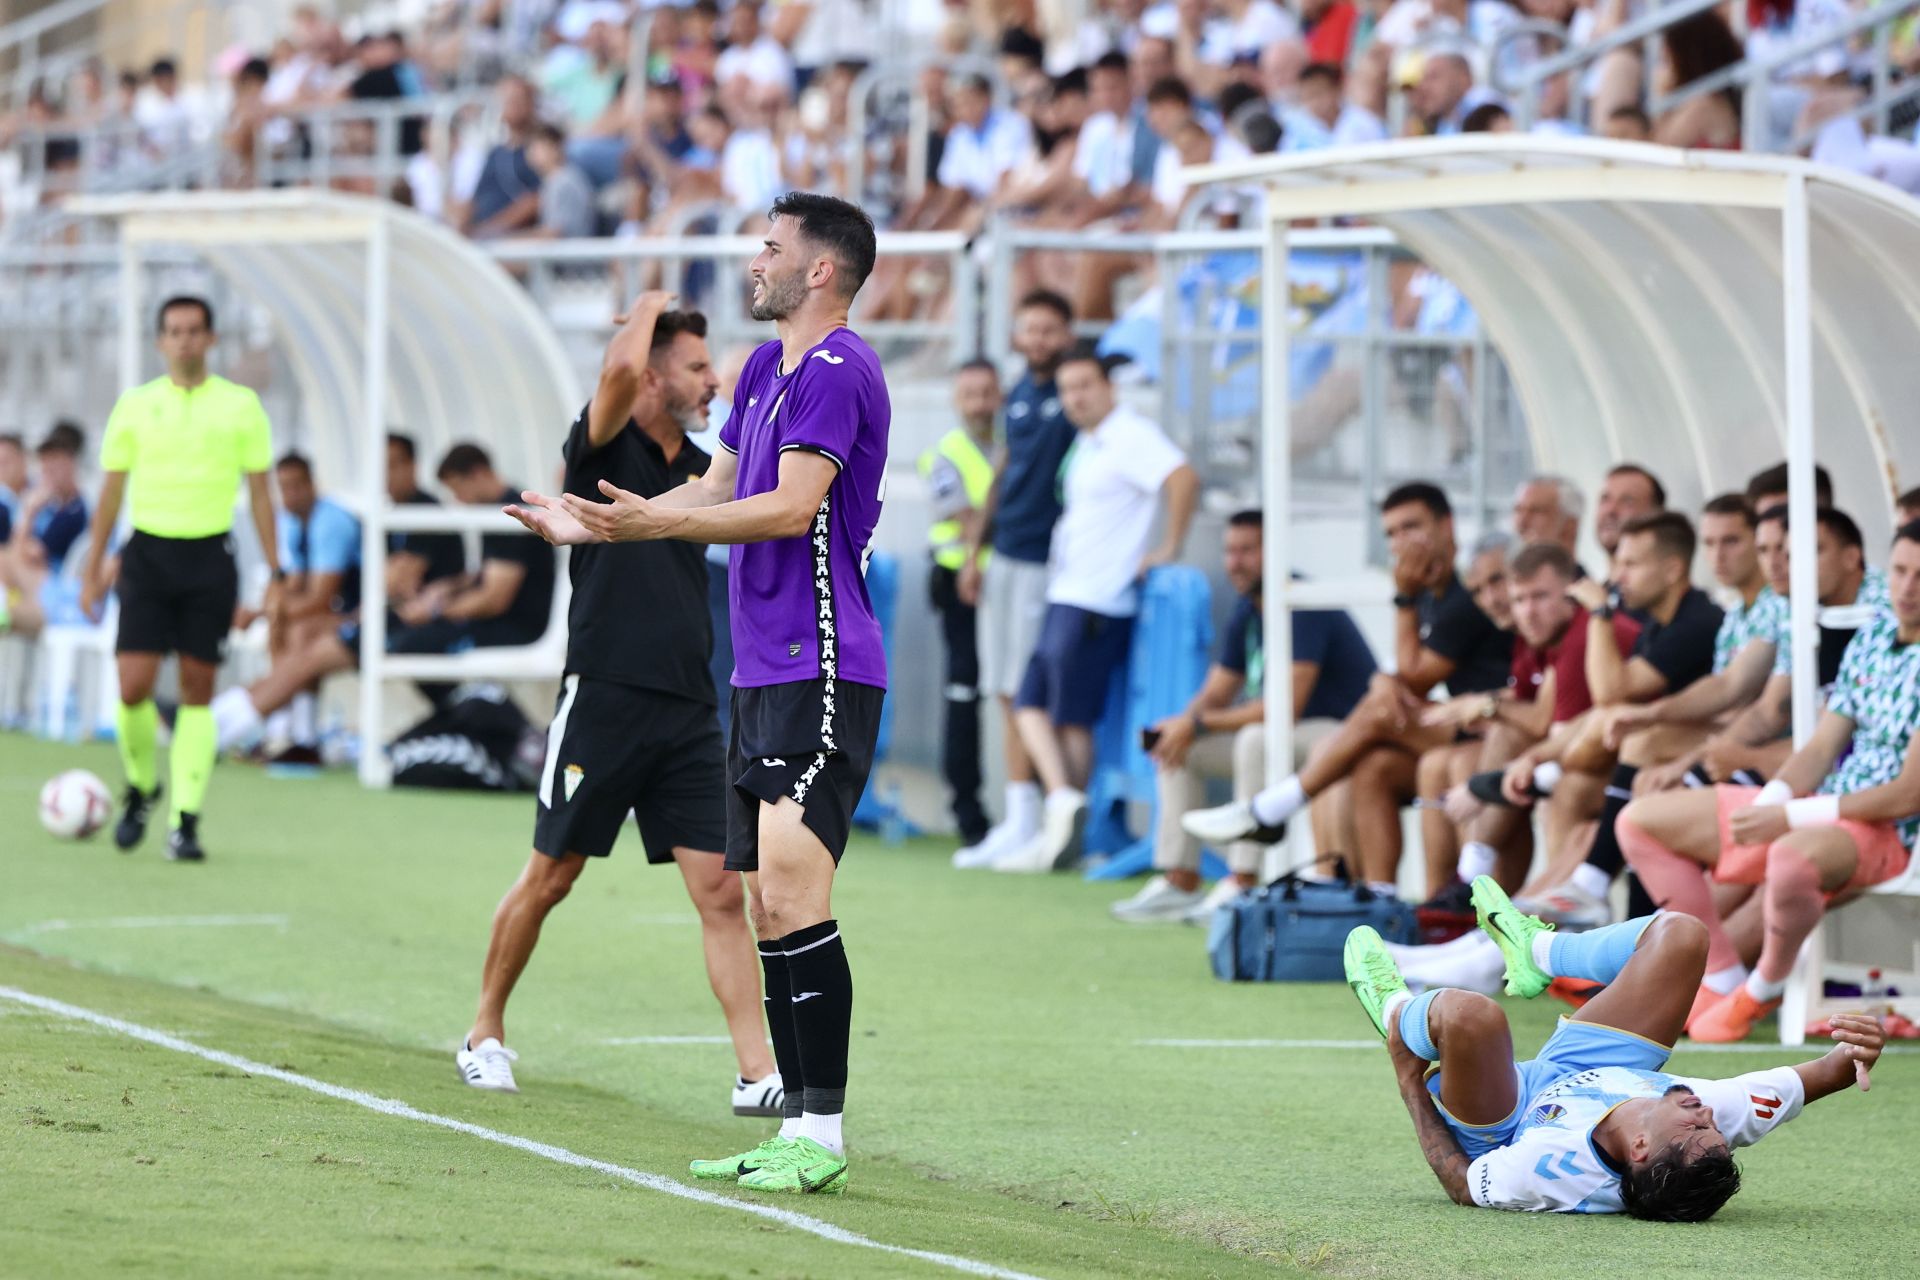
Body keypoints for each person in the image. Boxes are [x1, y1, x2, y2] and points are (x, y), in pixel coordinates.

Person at [508, 192, 887, 1197]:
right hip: (758, 673)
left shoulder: (843, 370)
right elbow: (718, 487)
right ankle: (796, 1123)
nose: (751, 261)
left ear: (818, 270)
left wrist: (651, 530)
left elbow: (791, 506)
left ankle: (825, 1129)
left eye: (770, 247)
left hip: (825, 664)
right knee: (764, 898)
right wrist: (599, 524)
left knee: (799, 890)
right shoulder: (764, 369)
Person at [458, 299, 782, 1118]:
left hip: (688, 708)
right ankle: (483, 1034)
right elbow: (613, 373)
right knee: (553, 875)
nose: (712, 381)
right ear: (654, 375)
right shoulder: (601, 445)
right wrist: (646, 306)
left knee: (720, 892)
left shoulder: (705, 466)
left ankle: (757, 1074)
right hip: (602, 697)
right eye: (697, 367)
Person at [1343, 880, 1885, 1218]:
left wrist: (1409, 1083)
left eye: (1697, 1129)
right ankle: (1537, 950)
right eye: (1720, 1132)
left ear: (1642, 1148)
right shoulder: (1714, 1120)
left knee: (1471, 1015)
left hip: (1511, 1119)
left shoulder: (1551, 1170)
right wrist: (1861, 1047)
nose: (1708, 1115)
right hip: (1604, 1068)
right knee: (1682, 935)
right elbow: (1830, 1073)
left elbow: (1462, 1186)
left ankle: (1392, 1012)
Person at [1620, 520, 1920, 1042]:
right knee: (1640, 821)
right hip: (1827, 808)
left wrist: (1788, 815)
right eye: (1899, 570)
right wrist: (1776, 798)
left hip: (1892, 831)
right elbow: (1823, 746)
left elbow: (1906, 795)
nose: (1908, 586)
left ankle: (1762, 991)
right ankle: (1721, 978)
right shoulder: (1874, 634)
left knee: (1788, 855)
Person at [1183, 482, 1514, 889]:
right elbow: (1399, 674)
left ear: (1447, 526)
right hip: (1461, 726)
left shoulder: (1460, 595)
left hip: (1497, 731)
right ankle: (1380, 899)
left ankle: (1270, 811)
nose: (1400, 542)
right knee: (1374, 768)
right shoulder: (1433, 594)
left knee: (1370, 721)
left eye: (1411, 527)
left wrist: (1403, 600)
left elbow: (1413, 676)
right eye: (1391, 533)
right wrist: (1384, 680)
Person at [78, 296, 280, 863]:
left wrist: (276, 571)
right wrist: (93, 569)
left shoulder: (240, 406)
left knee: (198, 688)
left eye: (194, 330)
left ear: (211, 339)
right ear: (160, 341)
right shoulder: (136, 406)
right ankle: (142, 785)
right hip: (146, 554)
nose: (185, 340)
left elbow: (262, 492)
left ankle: (184, 819)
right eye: (174, 331)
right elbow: (112, 491)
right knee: (132, 686)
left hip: (209, 557)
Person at [1112, 509, 1375, 922]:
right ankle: (1179, 879)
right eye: (1229, 551)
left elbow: (1285, 708)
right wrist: (1184, 725)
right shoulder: (1248, 608)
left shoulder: (1302, 603)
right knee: (1182, 746)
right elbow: (1218, 689)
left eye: (1247, 551)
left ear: (1275, 551)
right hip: (1289, 734)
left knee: (1255, 737)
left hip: (1341, 733)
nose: (1235, 562)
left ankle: (1243, 881)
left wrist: (1199, 723)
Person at [996, 343, 1200, 873]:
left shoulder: (1131, 436)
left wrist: (1169, 547)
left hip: (1097, 599)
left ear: (1109, 388)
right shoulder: (1089, 442)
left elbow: (1182, 478)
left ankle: (1068, 821)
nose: (1075, 398)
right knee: (1031, 704)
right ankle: (1064, 806)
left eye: (1085, 386)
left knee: (1070, 716)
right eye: (1066, 389)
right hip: (1069, 591)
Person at [209, 443, 556, 747]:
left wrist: (433, 608)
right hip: (422, 619)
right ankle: (276, 731)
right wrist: (443, 592)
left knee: (324, 646)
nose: (457, 501)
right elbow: (478, 578)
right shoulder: (481, 511)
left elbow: (493, 598)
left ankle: (225, 725)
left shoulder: (505, 511)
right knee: (311, 640)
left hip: (496, 629)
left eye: (459, 488)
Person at [1498, 512, 1724, 926]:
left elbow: (1610, 694)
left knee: (1631, 765)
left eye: (1630, 564)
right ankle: (1555, 917)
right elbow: (1605, 710)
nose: (1617, 576)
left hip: (1712, 759)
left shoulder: (1697, 621)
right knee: (1577, 790)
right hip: (1656, 760)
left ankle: (1591, 896)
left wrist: (1599, 616)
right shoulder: (1660, 622)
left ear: (1672, 569)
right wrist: (1535, 756)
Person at [951, 289, 1077, 869]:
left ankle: (1044, 818)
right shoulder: (1020, 395)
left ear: (1068, 334)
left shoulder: (1072, 395)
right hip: (1004, 557)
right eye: (1031, 329)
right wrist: (976, 553)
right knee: (1001, 688)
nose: (1040, 340)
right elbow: (1003, 472)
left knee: (1028, 691)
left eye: (1050, 330)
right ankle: (1018, 816)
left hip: (1042, 562)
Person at [921, 358, 999, 850]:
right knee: (964, 693)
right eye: (969, 393)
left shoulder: (1014, 443)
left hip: (1004, 580)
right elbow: (969, 519)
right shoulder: (945, 454)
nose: (979, 403)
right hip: (960, 584)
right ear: (955, 398)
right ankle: (967, 812)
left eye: (987, 392)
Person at [254, 451, 361, 766]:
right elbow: (295, 586)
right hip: (337, 614)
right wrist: (271, 609)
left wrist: (265, 613)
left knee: (301, 629)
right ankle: (284, 733)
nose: (289, 495)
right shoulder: (292, 524)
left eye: (295, 486)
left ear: (311, 484)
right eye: (282, 487)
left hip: (361, 614)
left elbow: (320, 598)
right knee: (284, 623)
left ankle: (301, 736)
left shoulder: (332, 522)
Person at [0, 424, 91, 637]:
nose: (48, 470)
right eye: (45, 462)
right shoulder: (48, 505)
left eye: (55, 462)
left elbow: (27, 554)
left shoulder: (74, 511)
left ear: (71, 464)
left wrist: (30, 511)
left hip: (53, 597)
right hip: (31, 590)